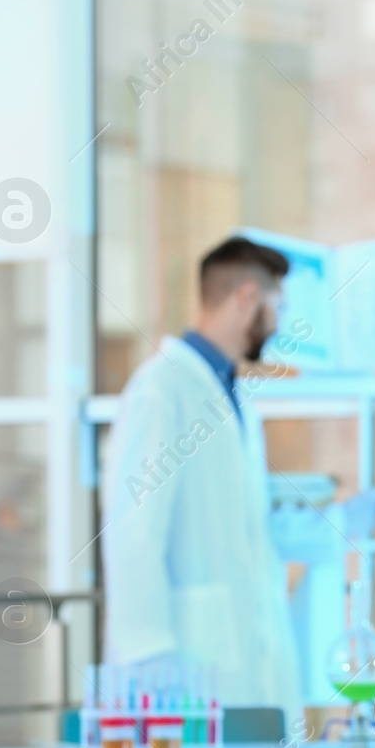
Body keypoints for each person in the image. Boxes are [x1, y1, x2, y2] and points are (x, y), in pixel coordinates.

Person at [101, 235, 302, 716]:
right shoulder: (162, 388)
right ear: (247, 297)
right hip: (178, 664)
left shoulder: (228, 390)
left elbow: (242, 529)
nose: (278, 323)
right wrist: (149, 653)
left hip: (236, 657)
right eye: (278, 305)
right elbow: (132, 532)